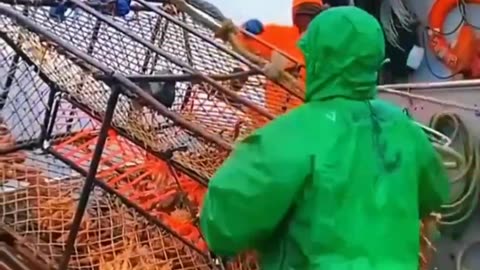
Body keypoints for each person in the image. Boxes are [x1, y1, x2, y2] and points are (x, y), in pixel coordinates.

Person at [200, 6, 450, 270]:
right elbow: (435, 193)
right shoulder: (406, 131)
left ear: (313, 57)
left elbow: (222, 225)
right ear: (379, 63)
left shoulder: (288, 136)